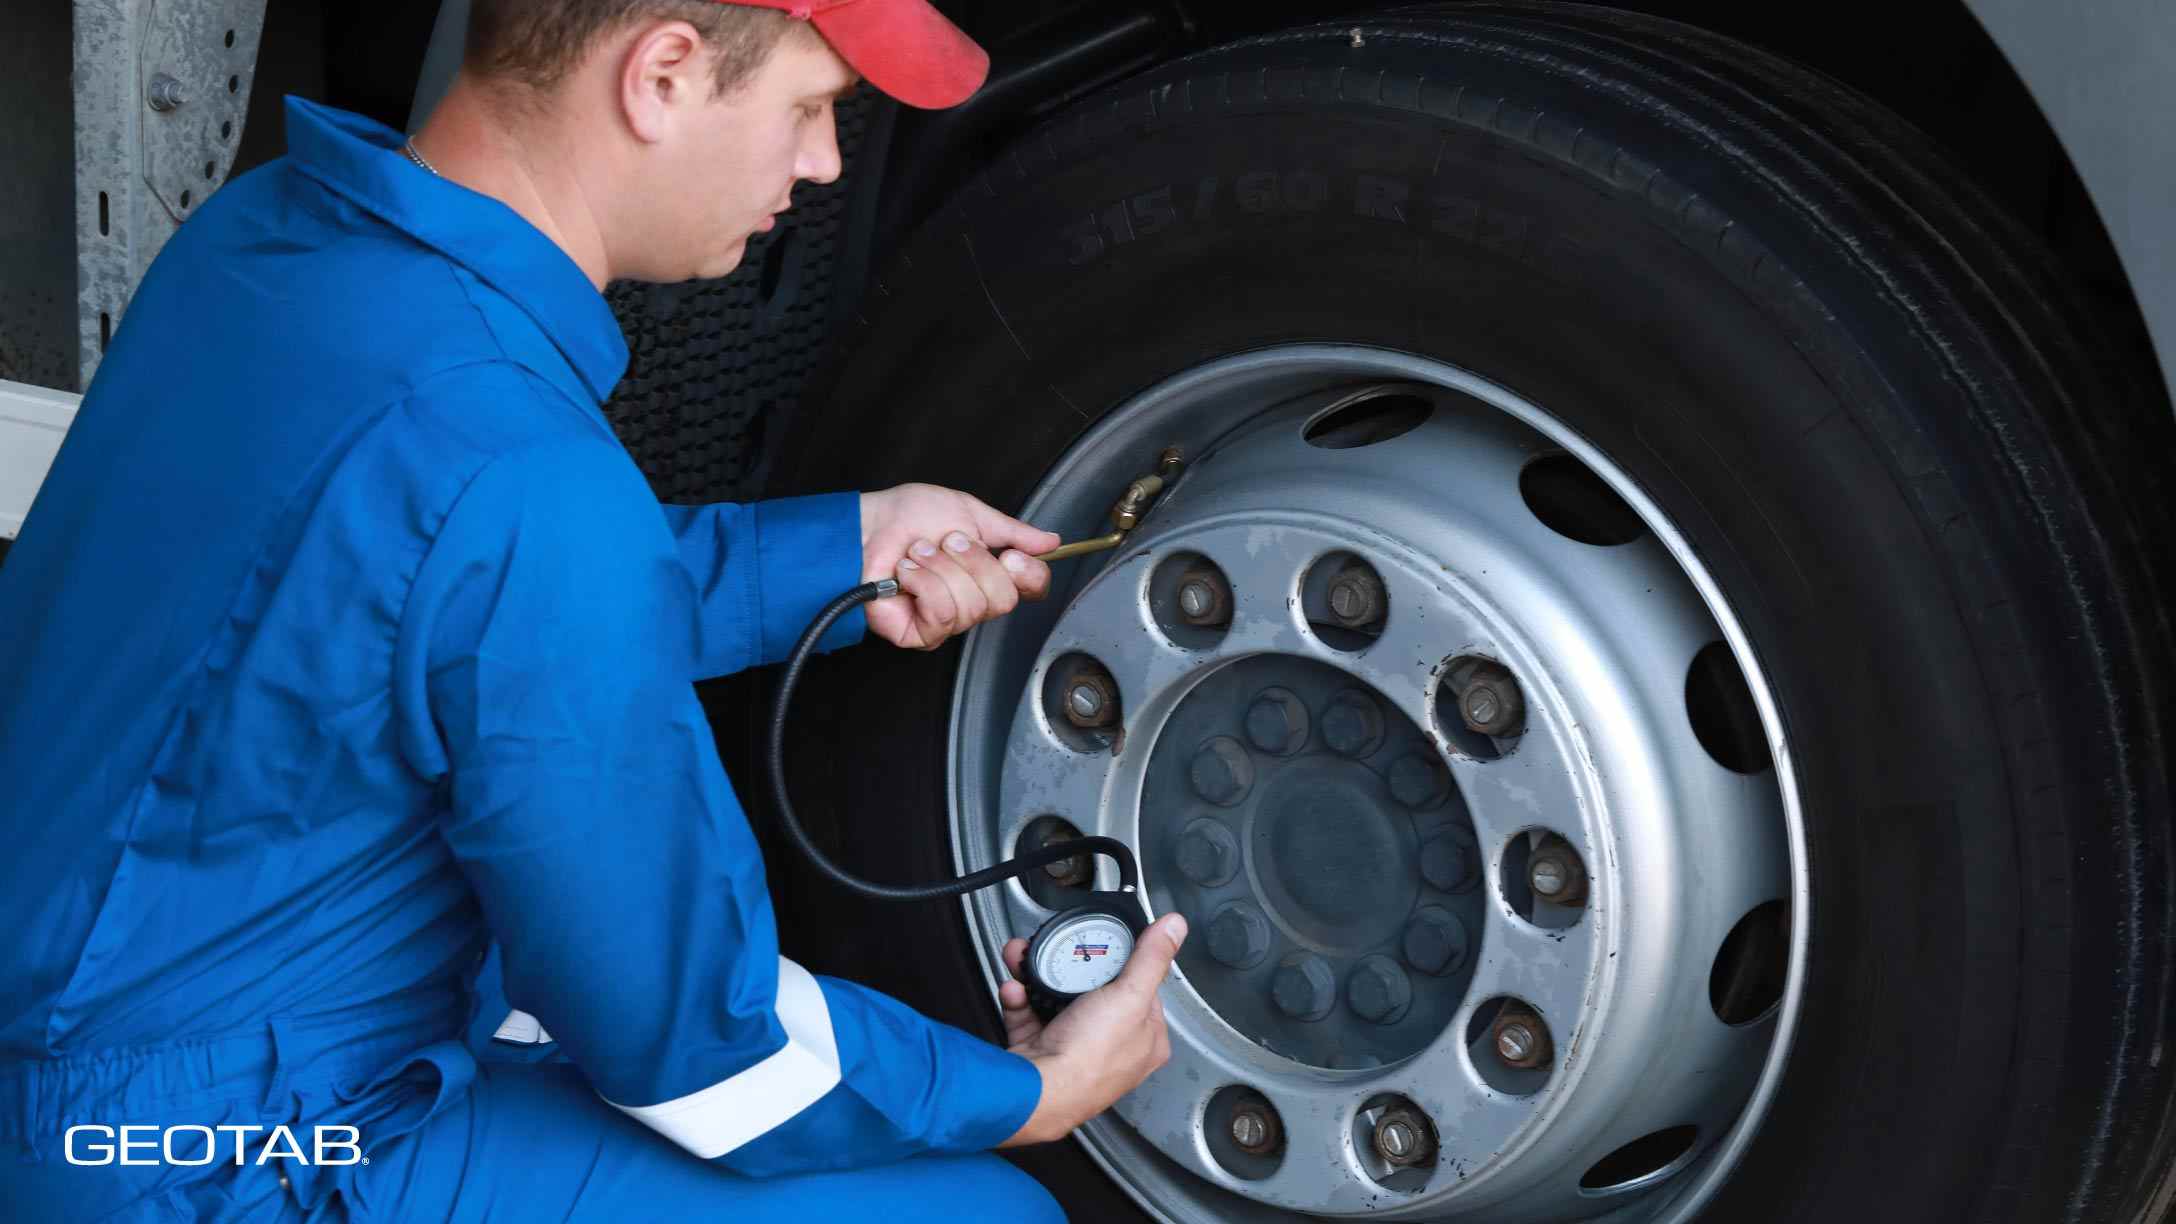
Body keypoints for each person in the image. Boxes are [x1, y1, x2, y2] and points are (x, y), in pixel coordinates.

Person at [0, 2, 1187, 1219]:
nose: (826, 158)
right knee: (986, 1215)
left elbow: (421, 589)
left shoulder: (267, 239)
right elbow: (698, 1046)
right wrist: (1022, 1092)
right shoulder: (529, 482)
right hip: (203, 1161)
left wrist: (841, 549)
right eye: (811, 104)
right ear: (662, 75)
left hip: (89, 1046)